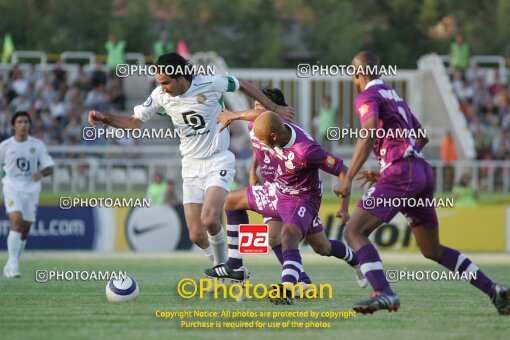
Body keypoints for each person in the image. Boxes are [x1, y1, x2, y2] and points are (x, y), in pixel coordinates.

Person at [335, 51, 509, 315]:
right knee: (432, 249)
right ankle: (494, 290)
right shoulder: (394, 96)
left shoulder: (367, 95)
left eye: (352, 74)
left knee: (353, 232)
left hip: (402, 173)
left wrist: (349, 177)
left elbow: (368, 131)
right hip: (421, 173)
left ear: (358, 74)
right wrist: (393, 164)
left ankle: (383, 292)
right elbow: (421, 137)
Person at [88, 52, 294, 270]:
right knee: (196, 234)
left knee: (210, 218)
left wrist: (272, 107)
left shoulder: (209, 83)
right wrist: (105, 119)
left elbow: (241, 84)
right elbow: (133, 122)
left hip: (217, 160)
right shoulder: (160, 95)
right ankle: (225, 266)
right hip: (190, 166)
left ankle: (230, 267)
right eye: (159, 83)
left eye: (166, 82)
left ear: (180, 77)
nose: (163, 87)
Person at [206, 106, 366, 305]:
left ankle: (290, 288)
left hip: (302, 198)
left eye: (263, 141)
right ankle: (236, 266)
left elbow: (344, 172)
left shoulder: (306, 150)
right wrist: (233, 116)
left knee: (317, 245)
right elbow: (258, 114)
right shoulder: (268, 126)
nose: (260, 145)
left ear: (273, 136)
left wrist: (343, 206)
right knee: (232, 201)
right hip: (277, 192)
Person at [1, 111, 54, 278]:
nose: (23, 125)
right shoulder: (5, 146)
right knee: (16, 222)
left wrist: (41, 173)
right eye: (19, 122)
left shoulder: (37, 145)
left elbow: (50, 167)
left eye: (26, 122)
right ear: (13, 126)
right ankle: (13, 265)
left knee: (25, 229)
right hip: (12, 187)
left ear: (29, 125)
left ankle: (12, 262)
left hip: (31, 189)